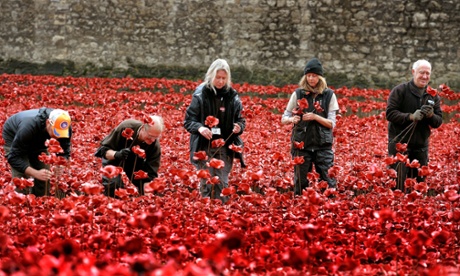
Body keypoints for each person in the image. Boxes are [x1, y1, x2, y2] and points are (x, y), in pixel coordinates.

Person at [184, 58, 246, 203]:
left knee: (222, 183)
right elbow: (189, 120)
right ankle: (207, 214)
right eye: (217, 77)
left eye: (224, 78)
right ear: (211, 76)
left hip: (225, 144)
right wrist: (200, 128)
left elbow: (241, 119)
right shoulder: (200, 94)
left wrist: (239, 127)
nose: (220, 81)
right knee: (207, 182)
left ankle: (221, 215)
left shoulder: (232, 96)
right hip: (204, 145)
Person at [281, 58, 339, 195]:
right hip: (302, 145)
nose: (311, 79)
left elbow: (332, 123)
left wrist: (315, 117)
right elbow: (284, 118)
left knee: (328, 183)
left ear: (320, 77)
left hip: (322, 145)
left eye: (314, 76)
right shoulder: (298, 94)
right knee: (301, 183)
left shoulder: (329, 95)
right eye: (308, 76)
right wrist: (292, 119)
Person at [386, 59, 442, 192]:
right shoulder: (400, 90)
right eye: (421, 72)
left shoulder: (433, 95)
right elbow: (390, 113)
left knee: (418, 185)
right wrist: (410, 117)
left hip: (421, 146)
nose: (425, 76)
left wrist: (430, 116)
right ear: (413, 72)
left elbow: (438, 121)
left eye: (427, 73)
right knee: (398, 184)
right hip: (400, 145)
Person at [2, 107, 72, 196]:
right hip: (14, 135)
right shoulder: (28, 127)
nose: (58, 137)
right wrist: (35, 173)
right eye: (56, 132)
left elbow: (65, 151)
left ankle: (40, 204)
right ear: (48, 123)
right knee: (22, 180)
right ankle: (22, 203)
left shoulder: (64, 126)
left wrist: (61, 164)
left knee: (44, 175)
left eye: (61, 133)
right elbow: (14, 157)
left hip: (38, 139)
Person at [95, 115, 164, 197]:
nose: (152, 140)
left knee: (154, 189)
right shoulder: (126, 127)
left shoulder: (155, 146)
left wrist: (147, 194)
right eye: (150, 136)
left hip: (136, 166)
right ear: (142, 129)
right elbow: (104, 151)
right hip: (115, 159)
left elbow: (150, 173)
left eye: (156, 137)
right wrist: (117, 154)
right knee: (114, 187)